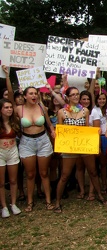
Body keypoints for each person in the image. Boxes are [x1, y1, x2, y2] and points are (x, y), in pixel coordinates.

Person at [4, 66, 55, 212]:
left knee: (44, 173)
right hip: (26, 142)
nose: (34, 95)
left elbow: (49, 124)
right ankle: (30, 202)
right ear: (24, 96)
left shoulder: (42, 107)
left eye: (35, 93)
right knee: (30, 174)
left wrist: (52, 132)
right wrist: (8, 76)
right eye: (31, 93)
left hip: (43, 140)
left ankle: (48, 200)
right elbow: (9, 98)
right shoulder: (19, 109)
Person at [54, 87, 107, 213]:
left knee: (93, 171)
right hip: (69, 147)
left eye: (77, 94)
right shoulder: (62, 112)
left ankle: (99, 195)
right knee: (64, 175)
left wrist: (95, 133)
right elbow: (61, 131)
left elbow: (85, 129)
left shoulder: (85, 111)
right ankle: (57, 201)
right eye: (72, 94)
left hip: (83, 145)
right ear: (67, 97)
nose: (75, 96)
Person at [0, 99, 22, 218]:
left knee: (13, 180)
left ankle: (13, 203)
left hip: (13, 151)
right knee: (1, 182)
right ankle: (3, 206)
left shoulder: (15, 122)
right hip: (0, 152)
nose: (9, 109)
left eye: (10, 107)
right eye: (6, 107)